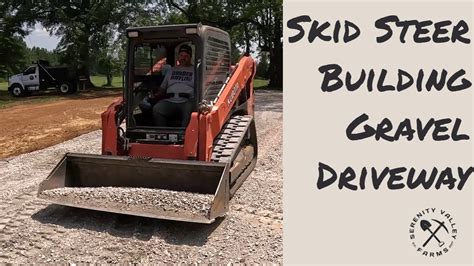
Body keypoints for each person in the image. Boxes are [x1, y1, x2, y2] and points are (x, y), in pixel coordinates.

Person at [152, 44, 194, 127]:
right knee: (157, 108)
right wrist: (156, 94)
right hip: (170, 100)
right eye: (181, 55)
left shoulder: (195, 70)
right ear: (178, 56)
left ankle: (183, 134)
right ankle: (163, 133)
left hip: (187, 101)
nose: (183, 58)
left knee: (190, 110)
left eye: (186, 56)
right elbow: (163, 87)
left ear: (190, 57)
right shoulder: (172, 70)